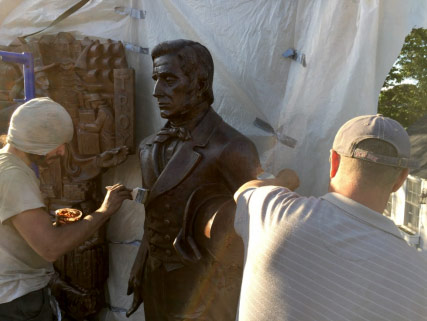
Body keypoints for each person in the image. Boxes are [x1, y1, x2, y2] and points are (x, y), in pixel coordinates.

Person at [234, 114, 427, 321]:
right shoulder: (419, 280)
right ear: (400, 179)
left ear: (334, 161)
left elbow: (244, 192)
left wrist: (284, 179)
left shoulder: (274, 212)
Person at [126, 39, 261, 321]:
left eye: (169, 79)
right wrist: (141, 265)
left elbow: (255, 232)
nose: (156, 91)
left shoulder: (232, 147)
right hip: (156, 283)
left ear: (199, 84)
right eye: (156, 80)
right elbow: (154, 214)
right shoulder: (149, 147)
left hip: (205, 294)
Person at [0, 97, 131, 321]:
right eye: (56, 143)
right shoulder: (14, 176)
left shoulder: (6, 164)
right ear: (35, 141)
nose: (62, 152)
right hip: (18, 302)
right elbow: (51, 248)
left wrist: (54, 226)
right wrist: (103, 211)